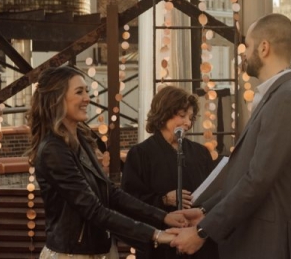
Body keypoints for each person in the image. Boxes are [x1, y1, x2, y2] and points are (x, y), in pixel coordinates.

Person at [168, 13, 291, 259]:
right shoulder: (279, 95)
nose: (244, 53)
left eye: (247, 45)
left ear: (264, 47)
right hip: (257, 241)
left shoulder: (288, 99)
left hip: (267, 244)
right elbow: (247, 173)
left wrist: (202, 232)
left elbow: (257, 180)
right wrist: (206, 210)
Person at [27, 65, 188, 259]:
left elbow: (111, 192)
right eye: (79, 92)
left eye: (86, 91)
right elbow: (93, 210)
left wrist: (163, 216)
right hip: (73, 254)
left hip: (99, 249)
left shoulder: (81, 138)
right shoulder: (53, 150)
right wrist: (156, 234)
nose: (87, 98)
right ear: (57, 99)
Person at [121, 85, 219, 259]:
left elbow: (214, 192)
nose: (188, 123)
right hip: (162, 245)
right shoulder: (141, 154)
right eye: (182, 116)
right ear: (164, 113)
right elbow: (130, 201)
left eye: (190, 117)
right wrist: (164, 199)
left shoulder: (200, 153)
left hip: (199, 243)